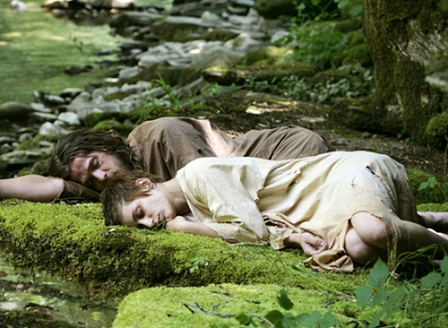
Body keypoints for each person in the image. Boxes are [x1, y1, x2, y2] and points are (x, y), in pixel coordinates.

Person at [100, 151, 448, 273]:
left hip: (336, 177)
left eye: (141, 211)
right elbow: (265, 223)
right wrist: (295, 237)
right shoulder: (192, 211)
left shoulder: (197, 175)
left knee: (374, 232)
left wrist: (185, 230)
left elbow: (253, 232)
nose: (150, 222)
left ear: (146, 185)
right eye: (141, 224)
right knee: (357, 248)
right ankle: (426, 225)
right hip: (317, 211)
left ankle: (435, 239)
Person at [0, 117, 334, 202]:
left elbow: (213, 181)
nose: (100, 178)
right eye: (89, 181)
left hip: (285, 153)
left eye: (95, 165)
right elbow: (53, 186)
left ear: (109, 145)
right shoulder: (113, 185)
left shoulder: (159, 135)